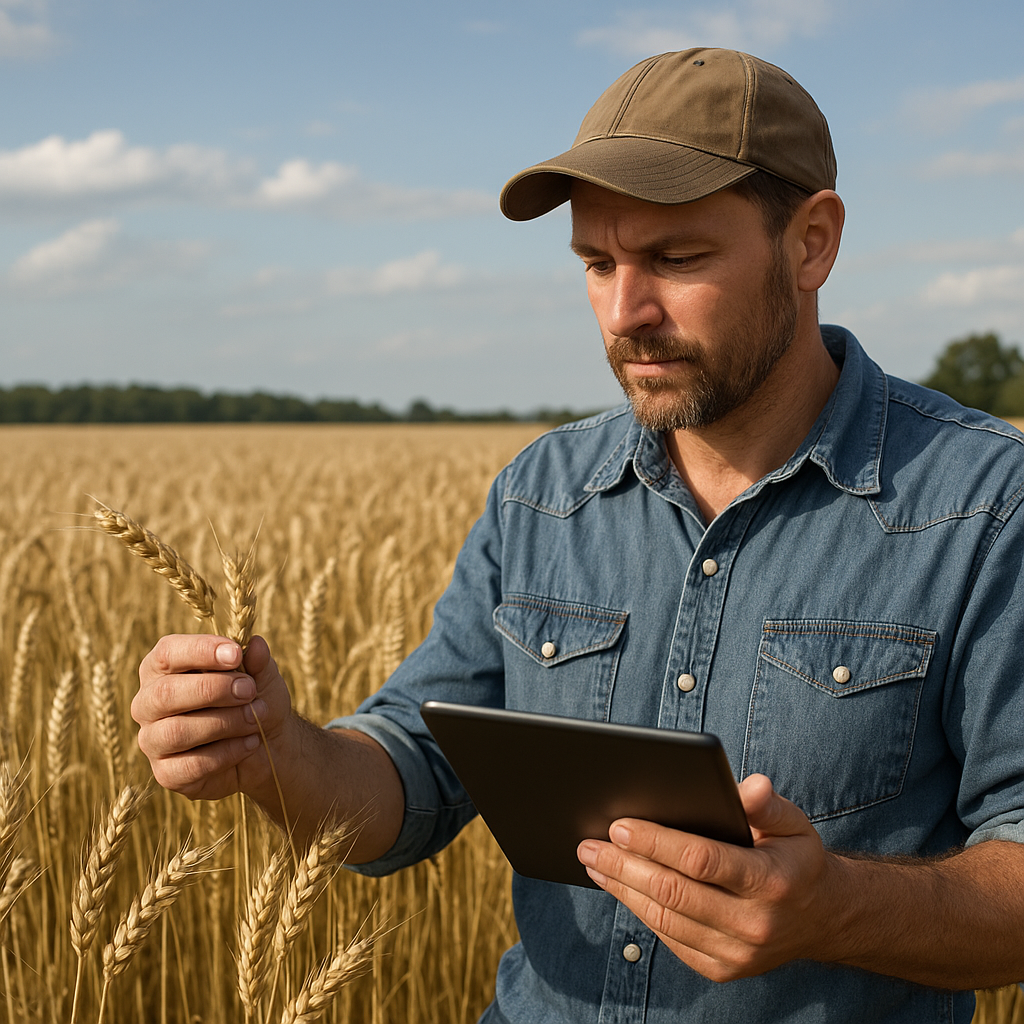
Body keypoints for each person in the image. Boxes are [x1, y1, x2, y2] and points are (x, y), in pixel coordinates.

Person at [133, 48, 1024, 1022]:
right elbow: (413, 771)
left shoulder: (984, 504)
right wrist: (272, 750)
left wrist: (838, 909)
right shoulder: (542, 494)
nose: (623, 312)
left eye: (675, 259)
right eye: (597, 263)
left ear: (810, 243)